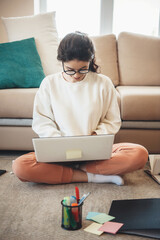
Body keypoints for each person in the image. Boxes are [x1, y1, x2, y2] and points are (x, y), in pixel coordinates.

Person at [12, 32, 148, 186]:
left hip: (94, 152)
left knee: (140, 154)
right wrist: (58, 143)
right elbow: (42, 120)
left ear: (90, 61)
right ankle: (92, 176)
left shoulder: (103, 83)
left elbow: (112, 120)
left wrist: (95, 136)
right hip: (59, 153)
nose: (76, 75)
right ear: (61, 62)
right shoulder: (49, 84)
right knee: (20, 166)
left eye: (83, 69)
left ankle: (75, 170)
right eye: (70, 69)